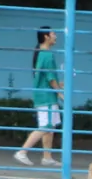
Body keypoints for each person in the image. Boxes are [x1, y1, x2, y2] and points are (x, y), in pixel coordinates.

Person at [11, 28, 63, 168]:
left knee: (50, 127)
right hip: (47, 96)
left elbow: (46, 77)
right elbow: (50, 78)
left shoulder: (40, 53)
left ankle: (47, 157)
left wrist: (58, 86)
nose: (56, 36)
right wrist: (59, 92)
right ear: (46, 36)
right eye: (53, 34)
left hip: (44, 94)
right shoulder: (47, 55)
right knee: (46, 126)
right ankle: (22, 152)